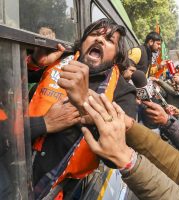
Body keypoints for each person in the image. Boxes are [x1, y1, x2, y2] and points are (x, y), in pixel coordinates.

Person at [30, 18, 137, 197]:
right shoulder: (58, 60)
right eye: (94, 34)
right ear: (83, 42)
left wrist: (84, 106)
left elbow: (114, 158)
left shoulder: (124, 92)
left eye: (109, 40)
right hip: (14, 163)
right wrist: (36, 61)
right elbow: (12, 80)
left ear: (117, 56)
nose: (99, 40)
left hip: (62, 189)